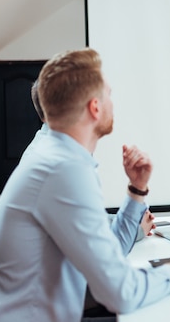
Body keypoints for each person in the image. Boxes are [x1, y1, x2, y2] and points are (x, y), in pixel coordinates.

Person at [0, 48, 170, 322]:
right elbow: (120, 293)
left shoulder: (57, 157)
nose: (112, 103)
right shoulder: (63, 170)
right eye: (110, 95)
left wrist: (136, 189)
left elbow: (111, 252)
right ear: (95, 107)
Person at [27, 79, 155, 240]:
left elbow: (90, 221)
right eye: (106, 95)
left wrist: (136, 196)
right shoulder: (60, 165)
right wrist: (138, 230)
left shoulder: (55, 149)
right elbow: (100, 245)